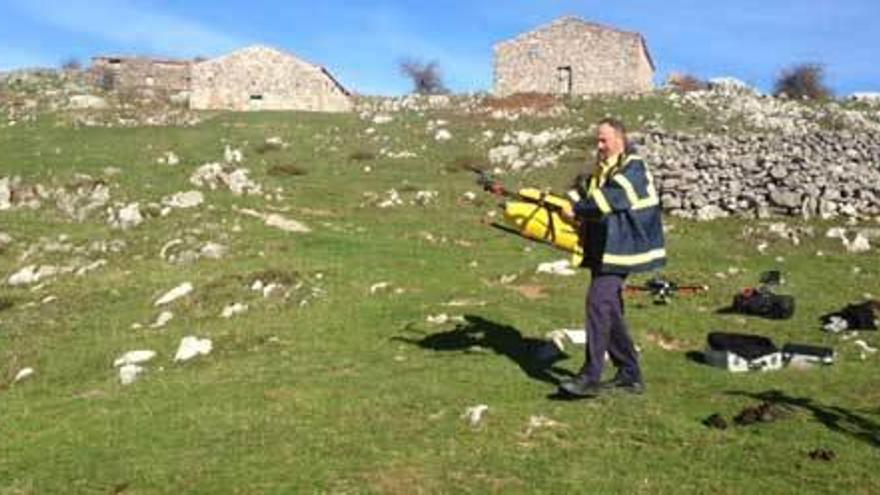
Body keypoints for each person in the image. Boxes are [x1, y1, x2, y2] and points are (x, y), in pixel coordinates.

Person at [558, 118, 666, 398]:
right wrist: (566, 202)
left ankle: (590, 376)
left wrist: (578, 210)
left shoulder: (634, 167)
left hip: (625, 249)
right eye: (598, 140)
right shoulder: (603, 169)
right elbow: (587, 191)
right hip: (606, 250)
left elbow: (611, 198)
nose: (599, 145)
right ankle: (630, 374)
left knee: (597, 303)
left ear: (620, 139)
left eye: (604, 140)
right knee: (610, 310)